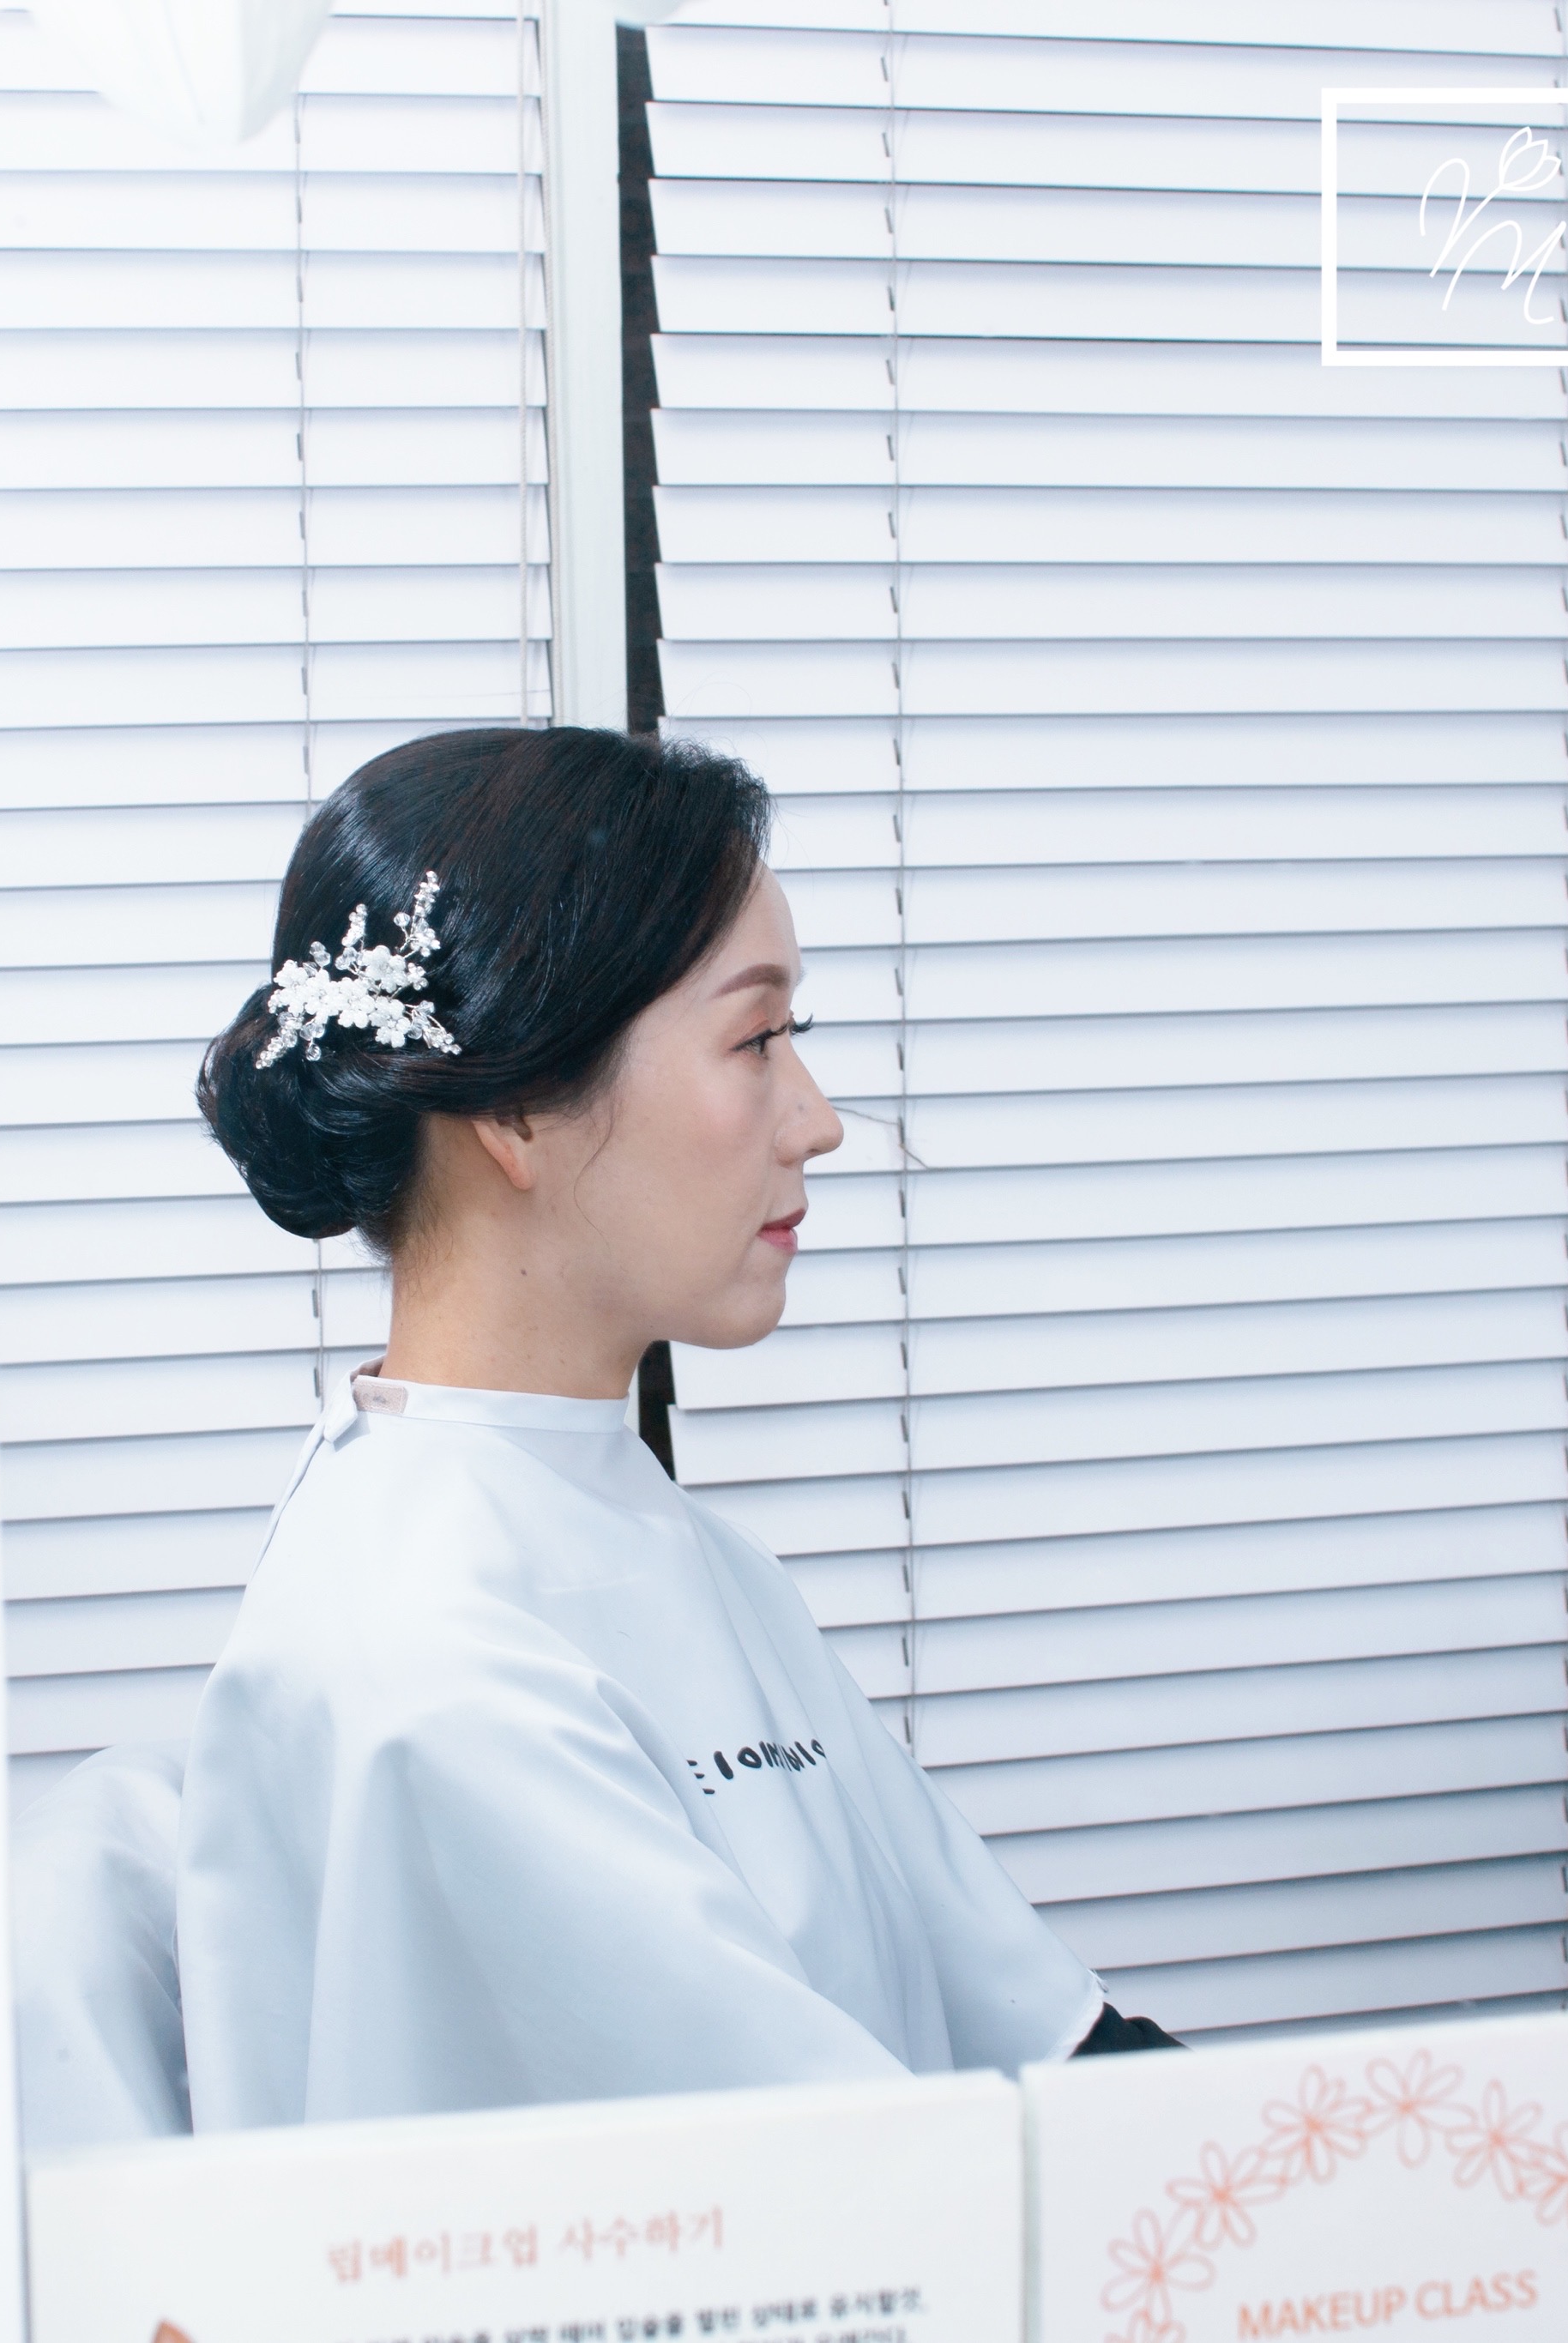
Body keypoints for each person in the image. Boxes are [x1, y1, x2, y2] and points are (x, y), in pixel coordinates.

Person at [172, 724, 1168, 2133]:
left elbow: (1042, 2032)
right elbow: (846, 2189)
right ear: (518, 1104)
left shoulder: (651, 1537)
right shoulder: (438, 1664)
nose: (817, 1122)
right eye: (756, 1039)